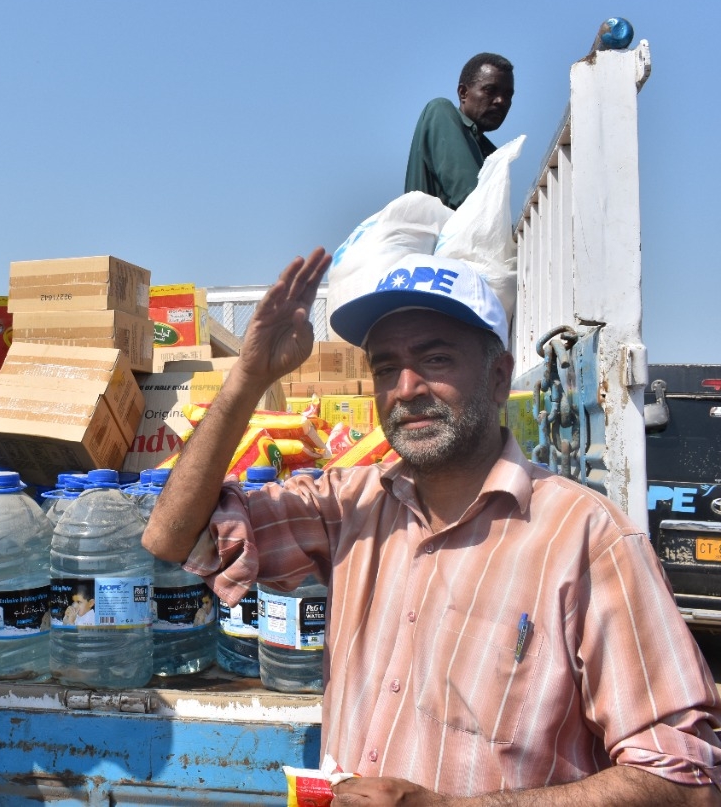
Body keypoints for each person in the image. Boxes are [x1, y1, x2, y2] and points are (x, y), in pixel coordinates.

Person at [143, 247, 721, 805]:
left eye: (436, 360)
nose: (408, 389)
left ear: (498, 377)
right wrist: (248, 375)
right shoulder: (351, 506)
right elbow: (170, 536)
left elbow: (684, 783)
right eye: (386, 368)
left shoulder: (587, 539)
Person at [404, 53, 513, 209]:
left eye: (508, 95)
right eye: (490, 90)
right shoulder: (441, 112)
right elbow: (472, 201)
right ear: (463, 93)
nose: (500, 101)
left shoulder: (491, 153)